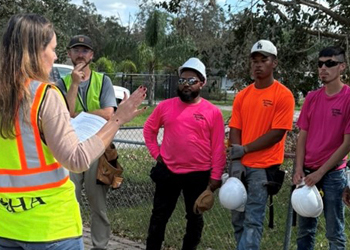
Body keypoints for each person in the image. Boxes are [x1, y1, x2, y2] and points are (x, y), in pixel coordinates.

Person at [0, 13, 146, 250]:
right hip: (51, 229)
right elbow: (76, 159)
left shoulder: (8, 95)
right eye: (53, 48)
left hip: (6, 225)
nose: (56, 56)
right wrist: (118, 119)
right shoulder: (44, 94)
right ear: (38, 51)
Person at [143, 57, 226, 250]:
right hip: (168, 171)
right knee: (159, 217)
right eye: (182, 81)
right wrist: (157, 154)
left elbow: (218, 148)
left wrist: (215, 177)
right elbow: (149, 130)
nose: (185, 85)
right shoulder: (165, 106)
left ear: (202, 83)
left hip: (198, 174)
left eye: (191, 81)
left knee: (195, 219)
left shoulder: (213, 112)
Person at [228, 40, 295, 250]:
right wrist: (237, 160)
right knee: (237, 218)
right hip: (240, 166)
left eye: (263, 60)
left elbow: (277, 133)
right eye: (254, 61)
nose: (258, 65)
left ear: (274, 63)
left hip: (263, 169)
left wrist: (245, 149)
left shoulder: (283, 95)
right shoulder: (243, 95)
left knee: (252, 220)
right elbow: (235, 128)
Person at [55, 35, 117, 250]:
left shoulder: (103, 81)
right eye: (76, 50)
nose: (80, 54)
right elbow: (66, 114)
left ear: (92, 55)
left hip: (96, 149)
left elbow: (109, 113)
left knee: (97, 204)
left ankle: (99, 245)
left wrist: (79, 115)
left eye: (85, 50)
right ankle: (71, 243)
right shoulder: (61, 84)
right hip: (68, 149)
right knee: (69, 201)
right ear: (69, 54)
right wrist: (73, 84)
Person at [293, 46, 350, 250]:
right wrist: (299, 168)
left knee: (335, 234)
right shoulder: (312, 97)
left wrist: (321, 172)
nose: (323, 68)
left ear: (342, 66)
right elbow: (302, 136)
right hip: (307, 173)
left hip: (333, 174)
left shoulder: (348, 98)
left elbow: (347, 144)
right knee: (304, 232)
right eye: (320, 64)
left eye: (330, 63)